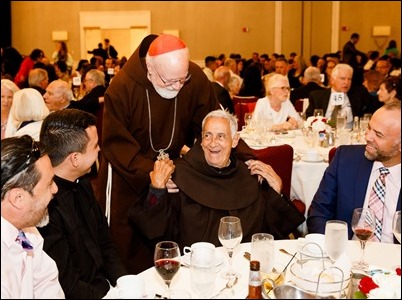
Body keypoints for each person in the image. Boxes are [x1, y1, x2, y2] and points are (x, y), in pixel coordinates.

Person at [96, 34, 220, 274]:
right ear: (150, 69)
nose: (177, 87)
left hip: (172, 173)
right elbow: (117, 145)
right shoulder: (122, 88)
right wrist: (154, 173)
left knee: (168, 241)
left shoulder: (191, 78)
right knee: (128, 249)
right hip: (128, 175)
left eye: (181, 80)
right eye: (170, 81)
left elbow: (212, 121)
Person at [130, 109, 305, 248]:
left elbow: (268, 233)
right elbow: (156, 232)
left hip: (243, 267)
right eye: (208, 135)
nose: (213, 143)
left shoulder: (249, 174)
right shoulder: (178, 175)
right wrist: (157, 189)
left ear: (235, 140)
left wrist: (276, 192)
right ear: (200, 140)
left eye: (221, 136)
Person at [38, 109, 128, 298]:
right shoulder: (45, 208)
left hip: (106, 288)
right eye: (95, 145)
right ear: (75, 159)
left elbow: (106, 244)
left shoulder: (83, 183)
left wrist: (125, 284)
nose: (99, 150)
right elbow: (67, 284)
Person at [307, 101, 401, 243]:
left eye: (378, 135)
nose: (367, 137)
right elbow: (319, 214)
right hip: (346, 255)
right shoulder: (346, 159)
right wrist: (334, 252)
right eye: (369, 128)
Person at [1, 135, 64, 298]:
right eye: (49, 183)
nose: (56, 189)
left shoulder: (23, 229)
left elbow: (45, 279)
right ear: (18, 198)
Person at [305, 63, 371, 129]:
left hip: (349, 135)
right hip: (324, 134)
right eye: (343, 78)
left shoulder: (359, 95)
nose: (346, 82)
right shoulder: (317, 96)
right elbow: (309, 118)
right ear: (332, 80)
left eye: (349, 79)